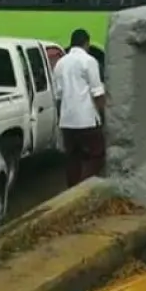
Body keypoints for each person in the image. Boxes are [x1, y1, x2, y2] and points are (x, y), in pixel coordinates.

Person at [53, 28, 106, 188]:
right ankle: (85, 186)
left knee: (72, 158)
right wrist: (103, 115)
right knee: (97, 155)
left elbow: (58, 96)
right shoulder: (89, 61)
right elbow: (97, 92)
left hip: (67, 121)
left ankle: (72, 190)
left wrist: (61, 118)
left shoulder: (60, 64)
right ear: (86, 43)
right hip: (86, 120)